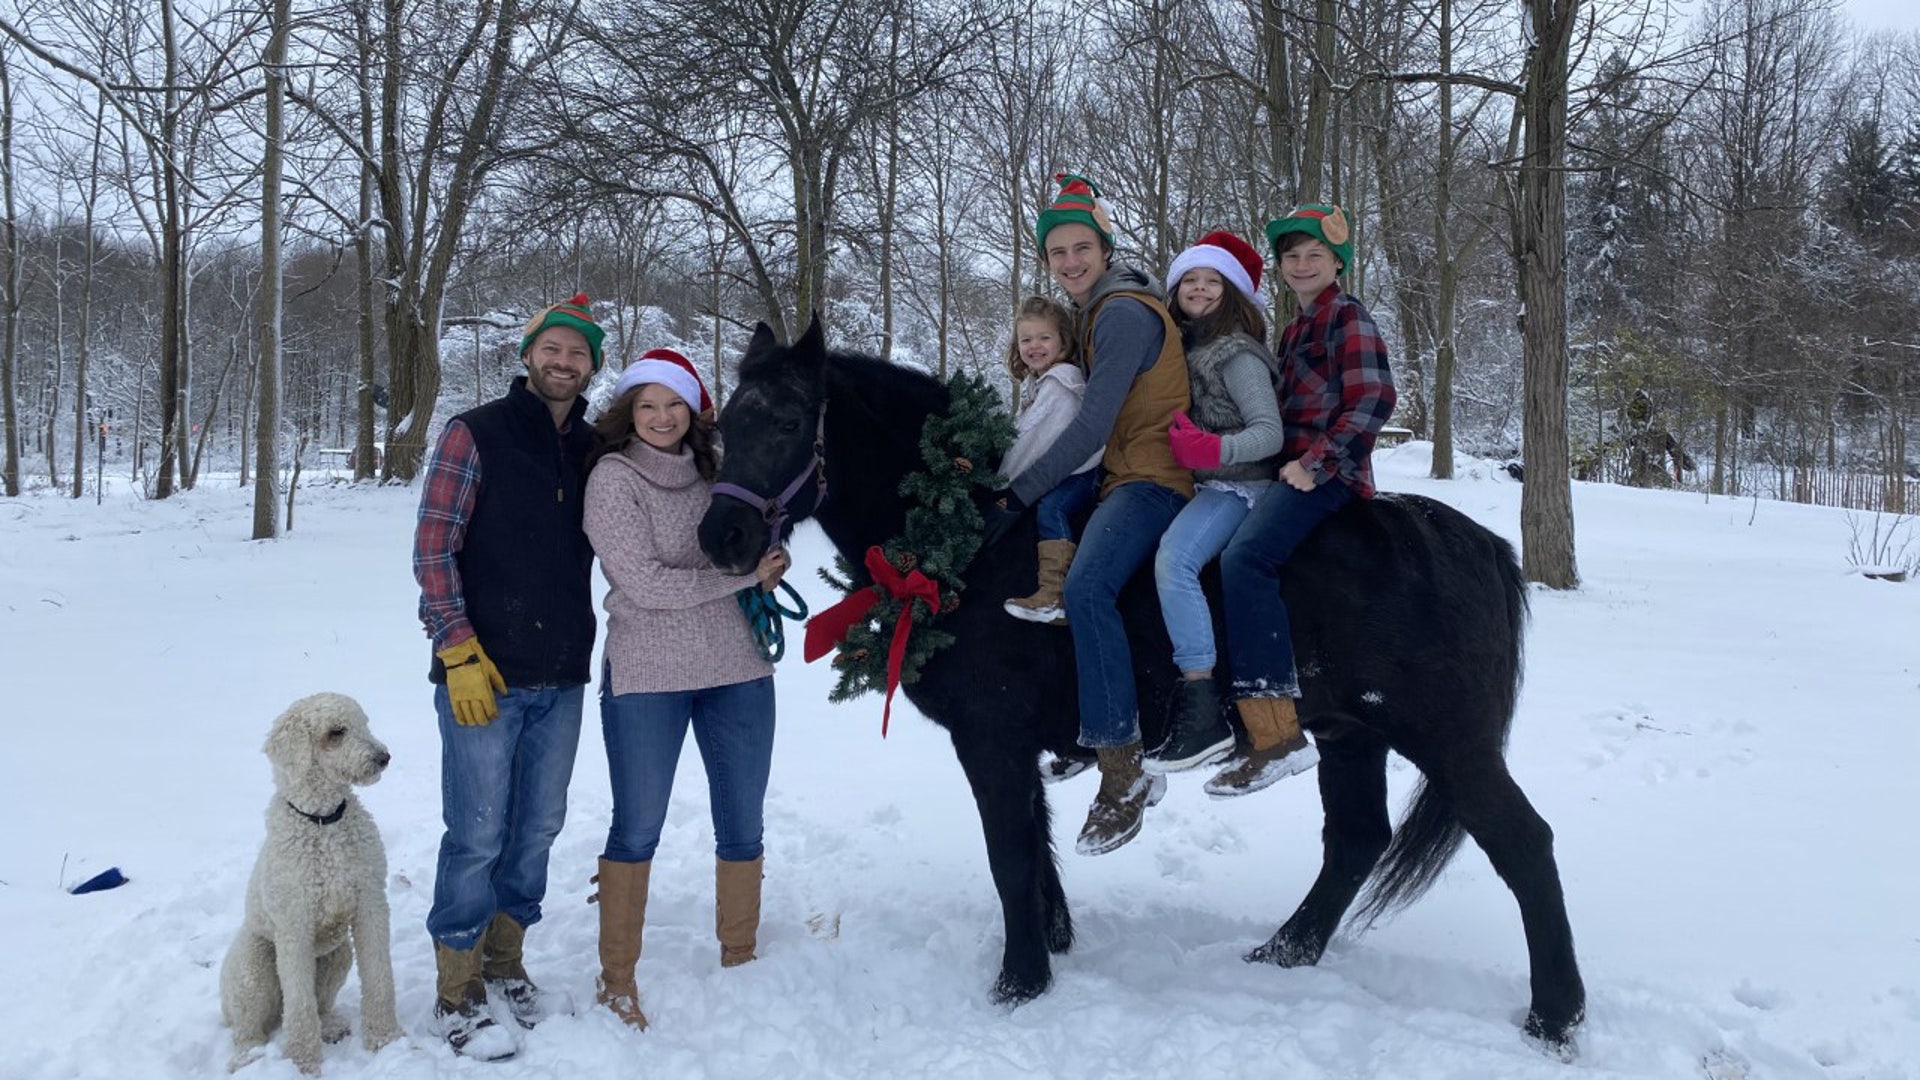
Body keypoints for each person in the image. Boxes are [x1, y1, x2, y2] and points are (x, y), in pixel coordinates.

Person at [414, 293, 603, 1060]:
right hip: (482, 674)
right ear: (528, 355)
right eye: (552, 349)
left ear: (592, 365)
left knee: (537, 829)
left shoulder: (594, 449)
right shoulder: (475, 433)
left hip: (561, 675)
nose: (564, 363)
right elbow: (434, 551)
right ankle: (456, 990)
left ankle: (505, 962)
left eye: (578, 353)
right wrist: (456, 648)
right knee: (477, 832)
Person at [582, 348, 790, 1031]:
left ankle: (741, 955)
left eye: (674, 404)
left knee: (743, 821)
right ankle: (617, 980)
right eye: (647, 404)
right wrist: (741, 577)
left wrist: (770, 558)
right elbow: (645, 584)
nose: (662, 417)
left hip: (738, 668)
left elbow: (751, 536)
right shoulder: (612, 479)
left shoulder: (718, 472)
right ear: (629, 412)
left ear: (694, 410)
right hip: (647, 674)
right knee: (638, 826)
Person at [984, 172, 1192, 856]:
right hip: (1119, 476)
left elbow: (1090, 427)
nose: (1071, 262)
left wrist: (1016, 495)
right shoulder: (1094, 315)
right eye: (1058, 254)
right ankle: (1079, 727)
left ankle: (1124, 768)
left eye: (1082, 248)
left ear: (1105, 248)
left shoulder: (1123, 312)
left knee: (1085, 586)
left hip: (1150, 477)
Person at [1206, 204, 1397, 798]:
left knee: (1245, 560)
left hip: (1328, 475)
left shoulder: (1347, 317)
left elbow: (1374, 400)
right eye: (1292, 256)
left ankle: (1274, 729)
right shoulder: (1293, 328)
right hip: (1288, 470)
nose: (1302, 264)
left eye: (1315, 254)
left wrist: (1317, 465)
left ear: (1337, 262)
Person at [1143, 231, 1284, 774]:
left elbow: (1269, 433)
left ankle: (1202, 704)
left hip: (1243, 486)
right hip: (1204, 483)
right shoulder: (1187, 348)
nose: (1199, 289)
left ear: (1232, 294)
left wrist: (1213, 448)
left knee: (1175, 561)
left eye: (1212, 282)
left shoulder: (1237, 354)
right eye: (1190, 280)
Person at [1000, 295, 1103, 624]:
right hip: (1059, 470)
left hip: (1080, 473)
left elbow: (1032, 443)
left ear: (1063, 340)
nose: (1034, 346)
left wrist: (1000, 486)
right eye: (1026, 339)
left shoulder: (1061, 383)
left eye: (1044, 337)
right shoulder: (1038, 383)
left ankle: (1054, 593)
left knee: (1052, 508)